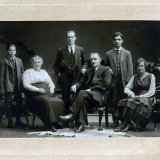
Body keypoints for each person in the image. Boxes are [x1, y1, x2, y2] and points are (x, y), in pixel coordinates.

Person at [60, 53, 111, 133]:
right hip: (88, 95)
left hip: (100, 94)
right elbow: (81, 82)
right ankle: (81, 125)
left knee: (82, 93)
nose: (93, 61)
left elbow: (107, 84)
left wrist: (91, 89)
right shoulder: (88, 71)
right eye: (91, 59)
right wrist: (75, 86)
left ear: (100, 60)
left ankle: (72, 113)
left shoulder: (106, 69)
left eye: (95, 59)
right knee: (82, 99)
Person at [23, 55, 64, 132]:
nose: (37, 64)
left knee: (59, 101)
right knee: (46, 102)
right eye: (35, 62)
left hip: (44, 94)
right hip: (33, 96)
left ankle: (57, 122)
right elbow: (26, 85)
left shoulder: (44, 72)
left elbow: (50, 82)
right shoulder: (28, 72)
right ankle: (50, 124)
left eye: (38, 62)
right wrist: (38, 89)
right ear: (31, 63)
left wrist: (52, 88)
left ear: (41, 63)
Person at [114, 58, 155, 132]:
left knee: (133, 102)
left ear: (145, 66)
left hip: (148, 98)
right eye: (138, 66)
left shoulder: (151, 76)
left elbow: (152, 91)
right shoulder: (135, 77)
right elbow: (127, 88)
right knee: (126, 101)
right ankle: (127, 124)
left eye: (142, 66)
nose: (140, 68)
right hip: (137, 97)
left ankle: (128, 124)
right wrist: (131, 93)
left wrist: (143, 96)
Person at [54, 30, 87, 114]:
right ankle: (66, 118)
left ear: (75, 38)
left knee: (77, 97)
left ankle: (76, 118)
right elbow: (56, 65)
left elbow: (86, 62)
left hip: (77, 77)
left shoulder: (80, 50)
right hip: (65, 78)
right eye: (68, 37)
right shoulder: (61, 50)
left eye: (72, 37)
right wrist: (59, 75)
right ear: (66, 38)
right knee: (66, 98)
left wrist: (84, 68)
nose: (70, 39)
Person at [105, 32, 133, 127]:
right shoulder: (108, 53)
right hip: (113, 82)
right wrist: (108, 69)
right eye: (115, 39)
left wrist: (129, 83)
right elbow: (105, 66)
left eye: (119, 39)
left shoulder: (127, 53)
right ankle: (115, 121)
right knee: (114, 101)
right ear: (113, 41)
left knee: (124, 100)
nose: (117, 41)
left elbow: (130, 69)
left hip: (124, 81)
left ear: (122, 41)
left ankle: (124, 121)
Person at [0, 44, 25, 128]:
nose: (12, 52)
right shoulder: (4, 62)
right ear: (8, 51)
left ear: (16, 51)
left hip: (17, 85)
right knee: (8, 103)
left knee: (19, 103)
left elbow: (22, 73)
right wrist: (2, 89)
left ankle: (18, 121)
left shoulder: (19, 61)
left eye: (14, 50)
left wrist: (22, 86)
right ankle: (10, 122)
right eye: (10, 50)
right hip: (8, 85)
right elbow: (1, 76)